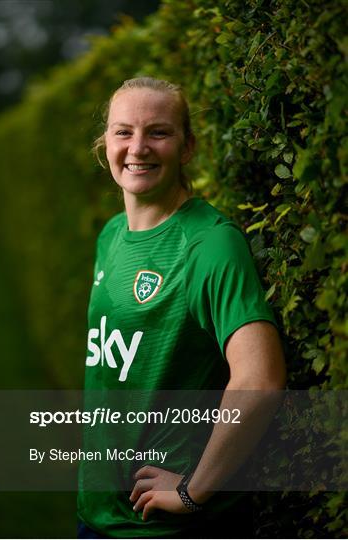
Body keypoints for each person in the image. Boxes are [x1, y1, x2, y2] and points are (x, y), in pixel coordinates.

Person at [77, 76, 286, 539]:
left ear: (187, 147)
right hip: (97, 513)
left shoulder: (210, 244)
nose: (138, 147)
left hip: (168, 526)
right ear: (104, 144)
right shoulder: (111, 234)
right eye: (123, 131)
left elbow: (261, 381)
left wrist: (194, 490)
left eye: (159, 132)